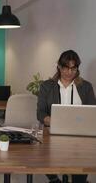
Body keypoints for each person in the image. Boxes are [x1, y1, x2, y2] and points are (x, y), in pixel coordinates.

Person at [37, 50, 95, 183]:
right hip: (53, 133)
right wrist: (50, 120)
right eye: (66, 68)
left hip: (80, 135)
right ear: (59, 67)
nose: (69, 72)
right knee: (40, 154)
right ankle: (54, 179)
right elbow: (40, 113)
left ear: (77, 68)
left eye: (73, 68)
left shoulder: (86, 87)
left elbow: (93, 113)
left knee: (80, 167)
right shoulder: (47, 86)